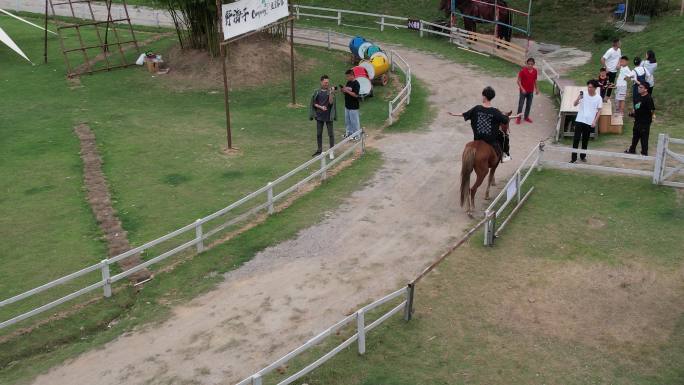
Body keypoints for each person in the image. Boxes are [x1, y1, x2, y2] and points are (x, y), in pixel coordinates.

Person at [448, 86, 519, 163]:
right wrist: (515, 116)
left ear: (484, 96)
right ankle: (505, 155)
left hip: (477, 139)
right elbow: (505, 119)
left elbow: (465, 114)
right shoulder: (495, 112)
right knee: (504, 137)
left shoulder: (477, 108)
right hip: (490, 141)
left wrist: (453, 114)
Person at [571, 79, 603, 163]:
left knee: (585, 140)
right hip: (580, 119)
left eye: (591, 87)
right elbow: (574, 104)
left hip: (589, 121)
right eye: (588, 87)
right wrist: (578, 98)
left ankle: (583, 156)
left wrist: (595, 121)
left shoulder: (598, 98)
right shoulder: (583, 94)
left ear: (595, 88)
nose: (589, 89)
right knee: (576, 139)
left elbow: (599, 110)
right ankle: (573, 158)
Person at [309, 75, 337, 158]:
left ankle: (331, 151)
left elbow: (331, 102)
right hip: (319, 116)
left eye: (327, 82)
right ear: (321, 82)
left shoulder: (329, 91)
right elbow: (314, 103)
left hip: (328, 116)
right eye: (325, 82)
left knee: (331, 134)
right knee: (318, 134)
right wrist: (321, 107)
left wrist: (331, 93)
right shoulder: (317, 92)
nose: (327, 84)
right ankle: (319, 150)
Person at [625, 83, 655, 156]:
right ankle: (632, 149)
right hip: (637, 120)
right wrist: (633, 114)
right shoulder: (637, 97)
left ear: (646, 89)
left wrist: (649, 118)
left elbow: (652, 110)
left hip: (645, 122)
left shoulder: (648, 98)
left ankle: (644, 153)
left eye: (641, 87)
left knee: (644, 137)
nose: (639, 88)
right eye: (639, 87)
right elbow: (636, 108)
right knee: (635, 135)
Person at [516, 57, 539, 124]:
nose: (530, 65)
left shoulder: (535, 71)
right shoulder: (522, 71)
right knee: (521, 104)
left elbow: (535, 80)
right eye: (528, 64)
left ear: (534, 64)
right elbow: (518, 81)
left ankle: (526, 117)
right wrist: (522, 89)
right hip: (523, 91)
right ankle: (518, 118)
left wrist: (537, 89)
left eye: (531, 64)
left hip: (530, 91)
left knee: (528, 105)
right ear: (526, 64)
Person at [341, 69, 361, 141]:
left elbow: (356, 95)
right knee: (348, 121)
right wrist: (343, 90)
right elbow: (347, 92)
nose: (347, 78)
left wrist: (347, 91)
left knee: (354, 122)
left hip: (353, 107)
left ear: (352, 75)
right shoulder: (348, 82)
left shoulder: (356, 83)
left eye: (348, 76)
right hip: (347, 105)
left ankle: (357, 136)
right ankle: (349, 134)